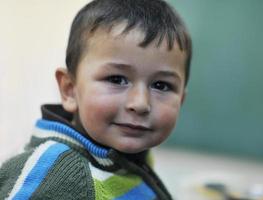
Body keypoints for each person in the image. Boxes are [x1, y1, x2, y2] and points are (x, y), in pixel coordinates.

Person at [0, 0, 192, 199]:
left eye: (161, 85)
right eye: (117, 79)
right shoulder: (59, 174)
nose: (140, 103)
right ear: (70, 90)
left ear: (181, 100)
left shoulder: (129, 155)